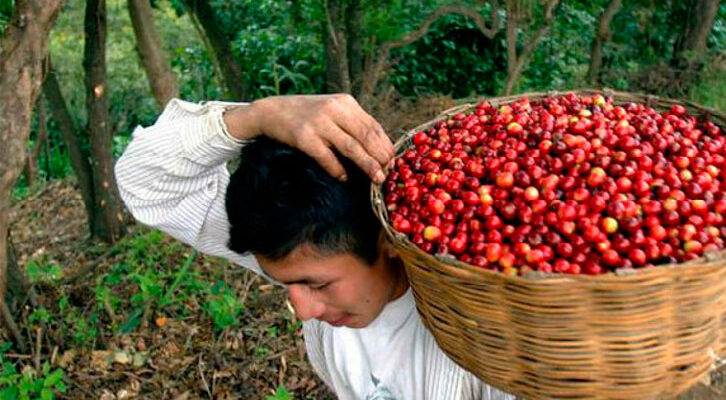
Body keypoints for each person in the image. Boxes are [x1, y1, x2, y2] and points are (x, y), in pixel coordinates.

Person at [115, 94, 517, 400]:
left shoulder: (485, 337)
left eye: (318, 285)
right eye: (288, 285)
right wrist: (262, 115)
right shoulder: (304, 249)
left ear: (389, 240)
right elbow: (147, 185)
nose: (301, 310)